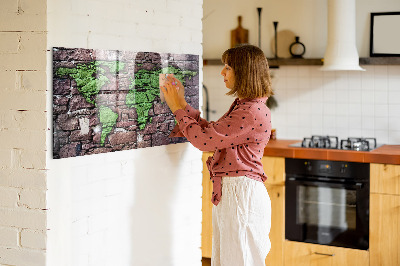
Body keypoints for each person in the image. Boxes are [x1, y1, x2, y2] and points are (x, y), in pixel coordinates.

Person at [160, 44, 273, 266]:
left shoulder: (250, 111)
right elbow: (212, 133)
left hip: (241, 195)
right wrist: (182, 103)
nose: (222, 72)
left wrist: (176, 108)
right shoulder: (246, 106)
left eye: (228, 67)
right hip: (235, 193)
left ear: (244, 71)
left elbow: (204, 141)